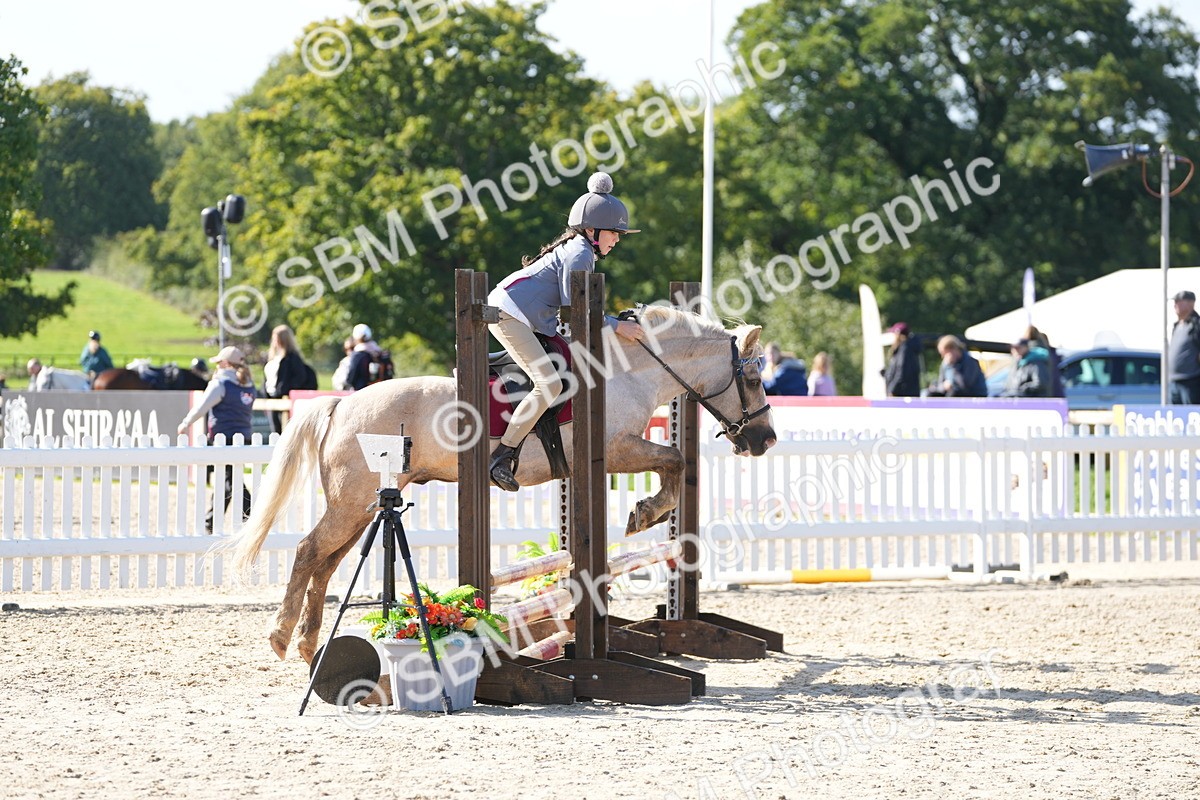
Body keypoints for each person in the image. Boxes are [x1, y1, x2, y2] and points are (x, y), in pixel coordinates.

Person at [486, 171, 645, 491]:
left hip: (526, 315)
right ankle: (502, 455)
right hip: (510, 314)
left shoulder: (581, 250)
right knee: (550, 383)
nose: (617, 239)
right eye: (614, 233)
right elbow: (580, 310)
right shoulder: (581, 254)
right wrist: (618, 326)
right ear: (592, 230)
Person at [176, 346, 255, 534]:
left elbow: (201, 407)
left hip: (223, 437)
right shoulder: (249, 384)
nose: (217, 366)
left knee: (229, 479)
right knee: (228, 479)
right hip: (244, 437)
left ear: (226, 363)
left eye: (219, 362)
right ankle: (212, 520)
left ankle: (250, 513)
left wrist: (185, 423)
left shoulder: (220, 384)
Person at [263, 324, 313, 434]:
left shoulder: (292, 358)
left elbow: (300, 377)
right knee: (275, 432)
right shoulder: (272, 358)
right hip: (272, 399)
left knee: (284, 432)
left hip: (284, 399)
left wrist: (284, 390)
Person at [1168, 290, 1200, 404]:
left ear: (1191, 303)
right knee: (1176, 417)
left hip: (1191, 381)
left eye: (1179, 301)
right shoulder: (1177, 325)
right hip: (1174, 381)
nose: (1175, 305)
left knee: (1191, 415)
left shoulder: (1196, 324)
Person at [883, 322, 922, 397]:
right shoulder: (904, 349)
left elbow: (901, 373)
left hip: (903, 395)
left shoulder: (905, 350)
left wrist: (892, 390)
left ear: (898, 335)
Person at [1024, 325, 1064, 398]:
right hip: (1055, 394)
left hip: (1044, 396)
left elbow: (1039, 383)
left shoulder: (1035, 356)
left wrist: (1023, 388)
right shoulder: (1050, 354)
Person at [345, 323, 385, 391]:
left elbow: (351, 378)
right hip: (381, 390)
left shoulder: (358, 355)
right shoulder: (379, 352)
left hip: (362, 392)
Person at [26, 358, 92, 391]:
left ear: (38, 365)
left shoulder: (45, 374)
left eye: (32, 368)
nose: (30, 371)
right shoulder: (34, 378)